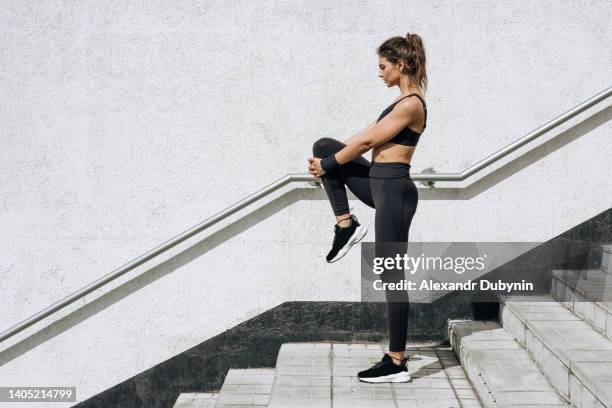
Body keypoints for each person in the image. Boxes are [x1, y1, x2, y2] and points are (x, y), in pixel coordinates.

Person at [307, 32, 427, 383]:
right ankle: (345, 224)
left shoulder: (412, 103)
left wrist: (328, 166)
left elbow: (369, 140)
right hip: (378, 180)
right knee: (325, 145)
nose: (379, 73)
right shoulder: (399, 102)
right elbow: (365, 135)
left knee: (392, 275)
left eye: (383, 66)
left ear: (400, 64)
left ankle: (397, 361)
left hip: (395, 191)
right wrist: (329, 159)